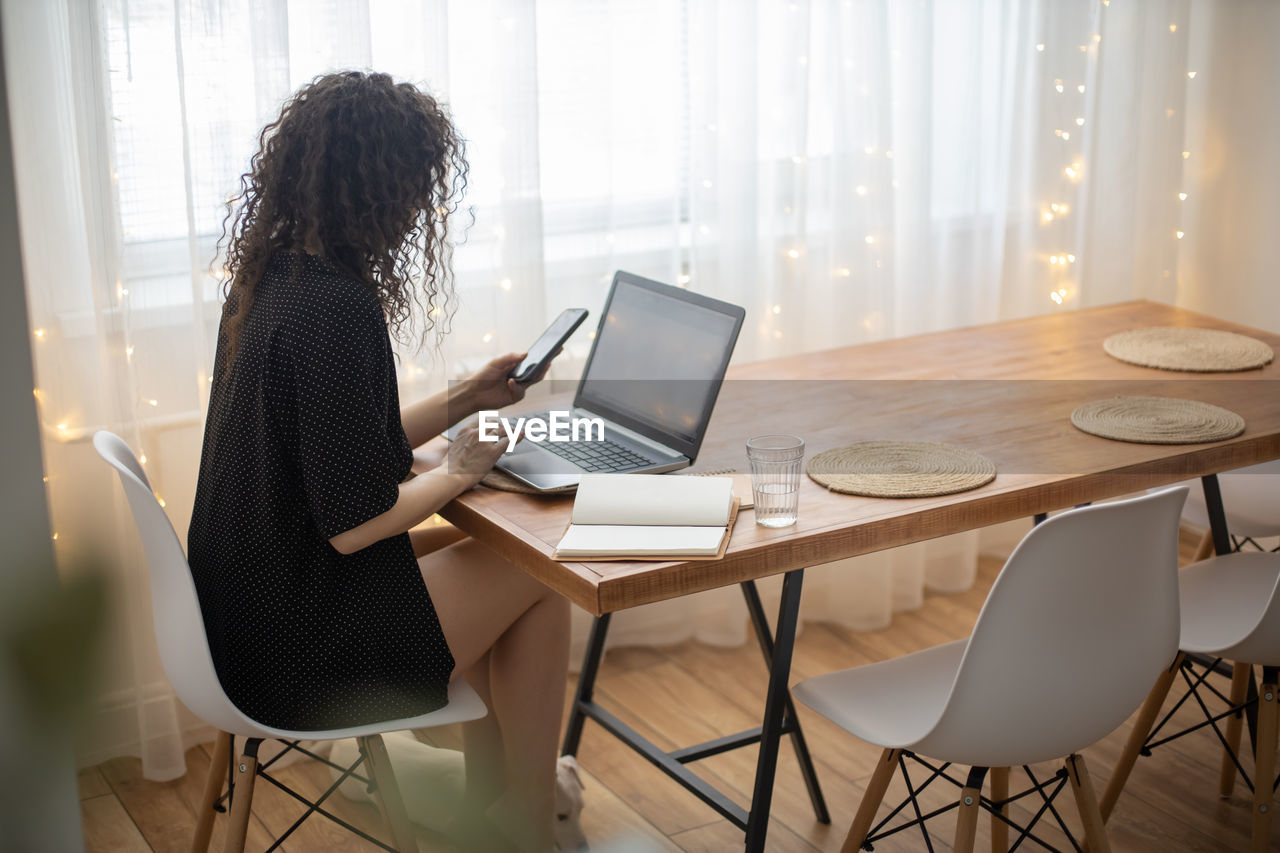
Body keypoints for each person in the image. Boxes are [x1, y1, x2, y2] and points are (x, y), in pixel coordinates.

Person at [187, 71, 572, 852]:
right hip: (301, 658)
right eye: (418, 188)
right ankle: (524, 822)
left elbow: (339, 447)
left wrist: (466, 396)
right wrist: (459, 470)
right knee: (541, 571)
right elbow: (356, 524)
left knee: (498, 556)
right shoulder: (336, 308)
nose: (421, 208)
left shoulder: (269, 281)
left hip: (240, 618)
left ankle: (499, 802)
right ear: (383, 190)